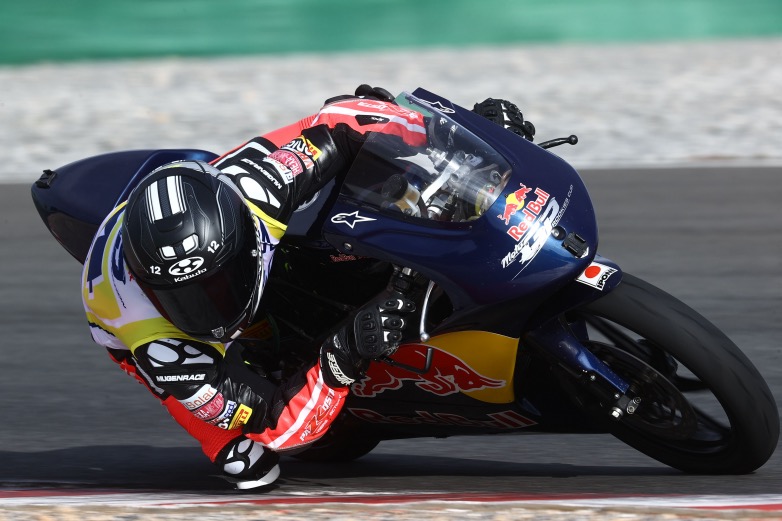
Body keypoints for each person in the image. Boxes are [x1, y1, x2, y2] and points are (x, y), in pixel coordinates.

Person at [81, 85, 534, 489]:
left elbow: (342, 120)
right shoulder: (161, 345)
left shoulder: (260, 184)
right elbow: (276, 427)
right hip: (126, 322)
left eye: (214, 287)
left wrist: (451, 136)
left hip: (215, 194)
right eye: (182, 298)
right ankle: (214, 441)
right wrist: (343, 353)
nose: (206, 308)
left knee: (363, 175)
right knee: (250, 465)